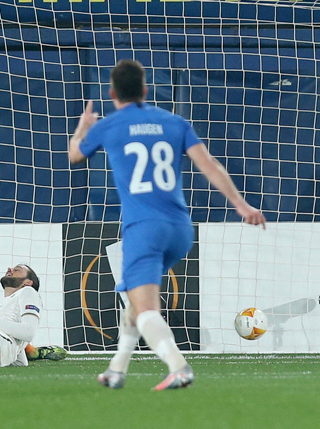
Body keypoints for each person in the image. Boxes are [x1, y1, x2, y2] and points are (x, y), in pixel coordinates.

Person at [68, 59, 266, 390]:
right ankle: (117, 369)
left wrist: (84, 125)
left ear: (112, 92)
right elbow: (210, 165)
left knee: (146, 309)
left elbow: (75, 154)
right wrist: (242, 206)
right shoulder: (174, 122)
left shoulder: (109, 125)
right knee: (134, 302)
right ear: (146, 90)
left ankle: (178, 366)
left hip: (143, 230)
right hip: (179, 229)